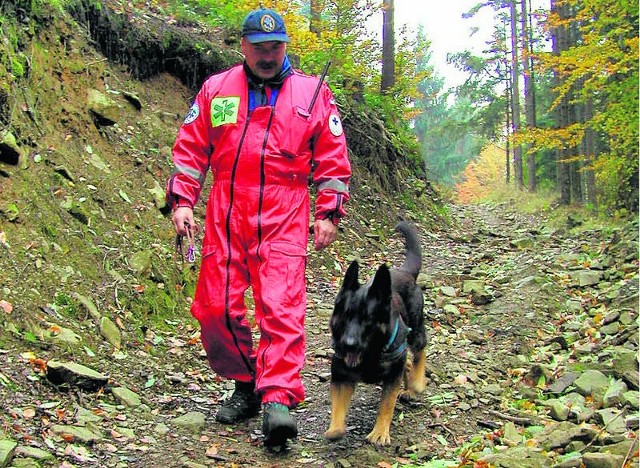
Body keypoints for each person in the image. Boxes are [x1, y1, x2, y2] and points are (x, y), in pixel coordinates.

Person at [166, 7, 351, 447]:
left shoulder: (312, 93)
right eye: (260, 47)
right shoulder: (217, 89)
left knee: (280, 306)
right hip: (226, 209)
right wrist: (182, 201)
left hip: (286, 210)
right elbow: (192, 149)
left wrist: (327, 212)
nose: (268, 55)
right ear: (243, 47)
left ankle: (278, 400)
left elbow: (332, 157)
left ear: (285, 46)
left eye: (276, 47)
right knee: (214, 308)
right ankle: (246, 383)